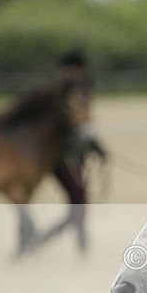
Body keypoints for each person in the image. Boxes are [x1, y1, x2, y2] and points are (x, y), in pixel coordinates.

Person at [40, 49, 107, 252]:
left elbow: (84, 128)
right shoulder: (61, 96)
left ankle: (80, 243)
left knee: (80, 204)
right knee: (79, 202)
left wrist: (95, 147)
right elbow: (77, 128)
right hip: (62, 158)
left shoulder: (78, 93)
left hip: (74, 157)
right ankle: (44, 241)